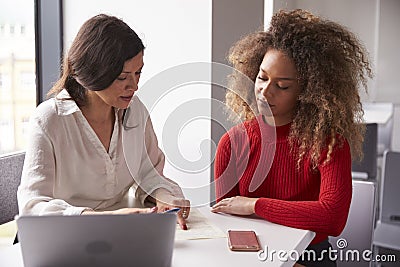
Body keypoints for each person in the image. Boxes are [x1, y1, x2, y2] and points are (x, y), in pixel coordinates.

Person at [211, 9, 372, 266]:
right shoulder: (233, 142)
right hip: (252, 256)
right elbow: (228, 219)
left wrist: (255, 205)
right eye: (262, 78)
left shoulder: (329, 143)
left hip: (310, 255)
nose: (265, 91)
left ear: (307, 91)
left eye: (282, 86)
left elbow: (332, 218)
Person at [17, 14, 190, 230]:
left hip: (125, 234)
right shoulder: (49, 120)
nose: (134, 86)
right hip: (68, 237)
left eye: (138, 73)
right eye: (122, 77)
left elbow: (150, 173)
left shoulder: (135, 111)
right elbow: (32, 206)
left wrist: (164, 197)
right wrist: (103, 218)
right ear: (93, 73)